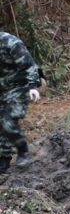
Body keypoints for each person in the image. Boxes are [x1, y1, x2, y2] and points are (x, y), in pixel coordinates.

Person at [0, 31, 40, 172]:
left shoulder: (10, 42)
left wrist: (33, 86)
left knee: (7, 121)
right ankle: (3, 159)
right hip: (2, 90)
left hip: (19, 87)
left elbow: (29, 65)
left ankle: (23, 150)